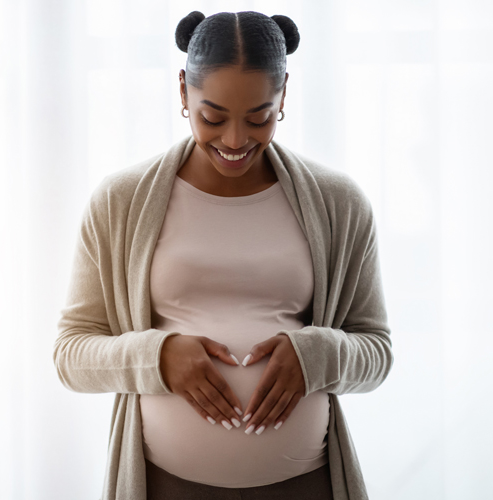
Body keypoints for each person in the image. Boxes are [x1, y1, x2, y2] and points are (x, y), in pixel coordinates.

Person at [53, 10, 393, 500]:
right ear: (183, 93)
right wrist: (159, 357)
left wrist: (317, 356)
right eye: (212, 117)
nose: (235, 141)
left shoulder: (338, 202)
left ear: (283, 95)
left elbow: (376, 352)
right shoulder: (121, 201)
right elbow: (71, 355)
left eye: (258, 118)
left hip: (305, 485)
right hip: (167, 485)